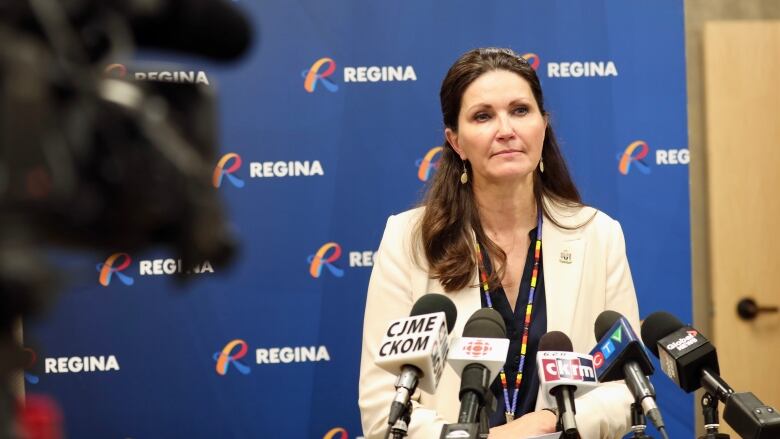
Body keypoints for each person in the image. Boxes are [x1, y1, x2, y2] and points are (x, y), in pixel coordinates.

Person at [359, 47, 639, 439]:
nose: (506, 129)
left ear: (543, 125)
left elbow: (629, 389)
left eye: (520, 110)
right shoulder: (408, 240)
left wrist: (551, 421)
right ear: (455, 141)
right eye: (483, 115)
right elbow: (381, 406)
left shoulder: (598, 235)